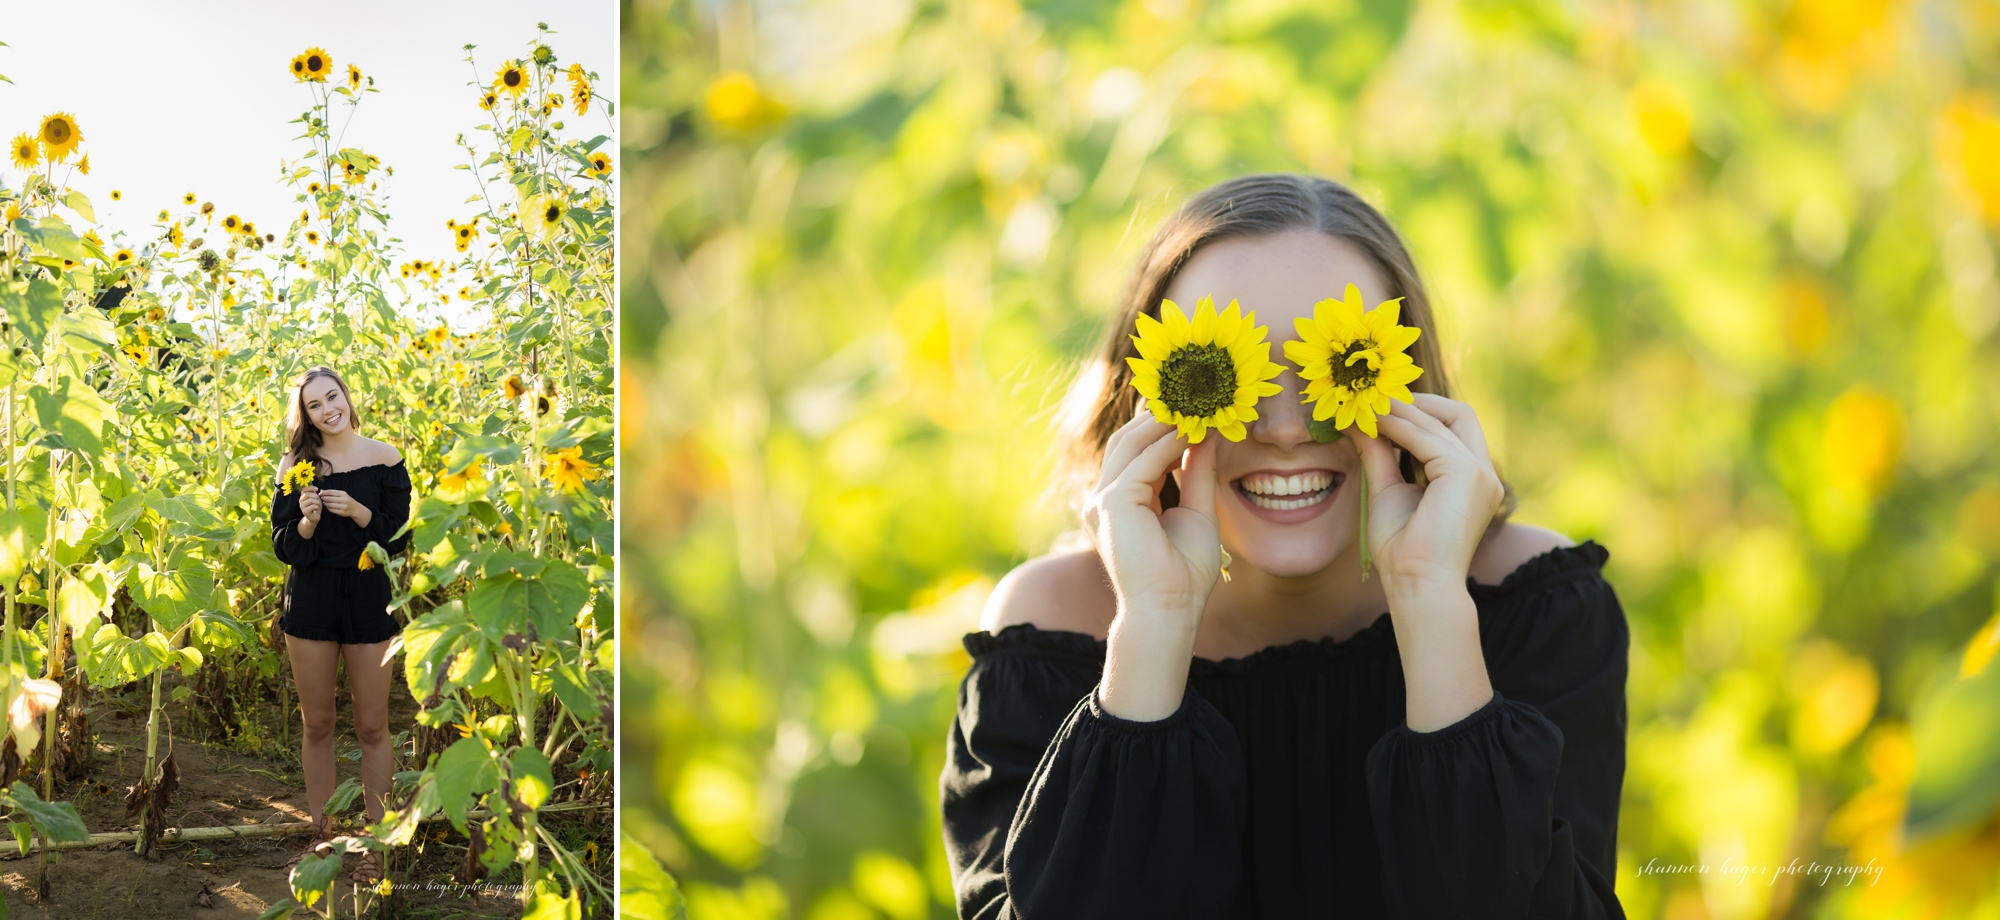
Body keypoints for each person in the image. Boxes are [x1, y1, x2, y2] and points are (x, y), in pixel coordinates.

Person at [941, 174, 1628, 918]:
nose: (1286, 427)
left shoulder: (1533, 607)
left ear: (1412, 383)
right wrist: (1155, 624)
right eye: (1225, 373)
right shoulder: (1053, 632)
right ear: (1146, 399)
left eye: (1337, 364)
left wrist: (1431, 599)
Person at [269, 365, 412, 886]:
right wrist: (305, 520)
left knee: (373, 725)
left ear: (348, 398)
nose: (327, 409)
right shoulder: (295, 464)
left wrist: (355, 511)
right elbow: (284, 545)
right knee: (318, 724)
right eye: (314, 405)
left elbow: (397, 539)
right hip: (311, 600)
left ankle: (377, 844)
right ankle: (321, 836)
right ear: (304, 415)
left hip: (371, 597)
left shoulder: (385, 457)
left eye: (333, 397)